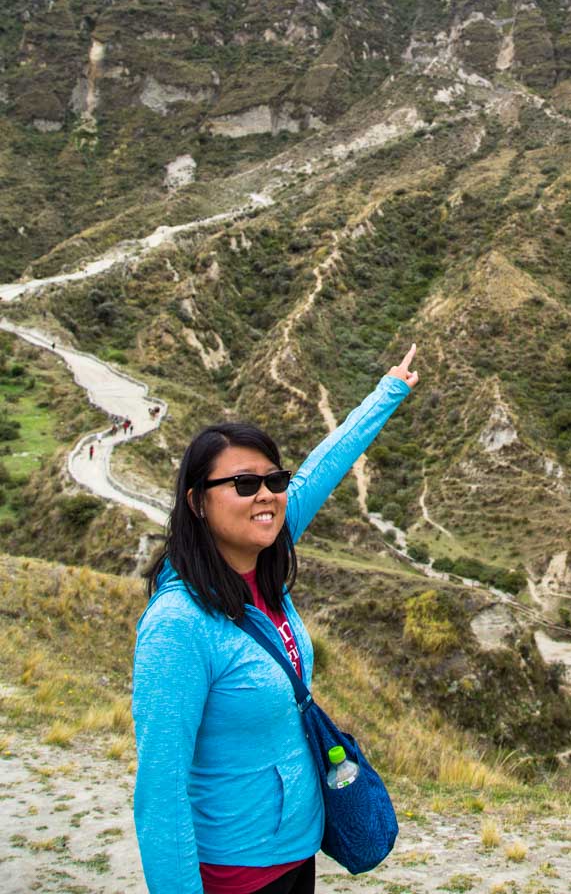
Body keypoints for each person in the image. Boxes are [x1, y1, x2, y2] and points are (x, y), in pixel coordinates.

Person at [132, 344, 419, 894]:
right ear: (197, 503)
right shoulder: (178, 625)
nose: (265, 495)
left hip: (295, 854)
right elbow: (160, 791)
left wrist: (389, 391)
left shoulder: (262, 563)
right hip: (234, 874)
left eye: (273, 481)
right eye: (243, 485)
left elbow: (322, 468)